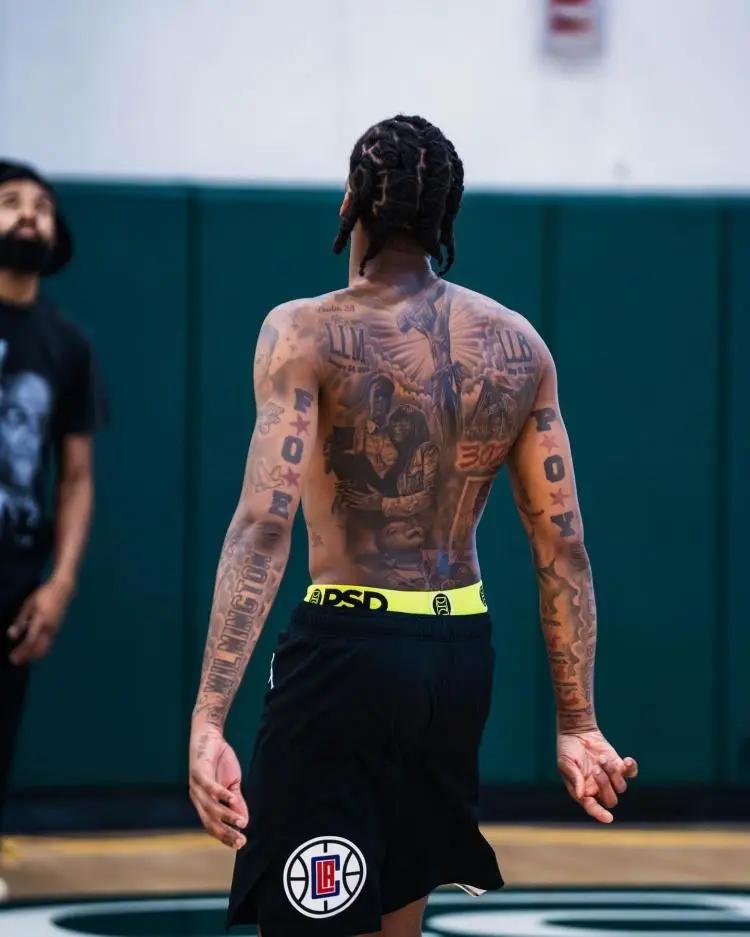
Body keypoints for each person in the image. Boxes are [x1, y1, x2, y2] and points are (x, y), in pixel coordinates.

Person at [189, 115, 639, 937]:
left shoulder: (304, 330)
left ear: (352, 203)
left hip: (348, 657)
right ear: (446, 217)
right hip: (457, 656)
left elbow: (263, 524)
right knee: (398, 918)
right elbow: (563, 544)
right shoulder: (519, 345)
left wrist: (209, 717)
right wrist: (577, 721)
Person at [0, 161, 105, 896]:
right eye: (10, 202)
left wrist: (59, 583)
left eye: (41, 204)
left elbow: (75, 476)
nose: (29, 214)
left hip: (15, 571)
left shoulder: (66, 344)